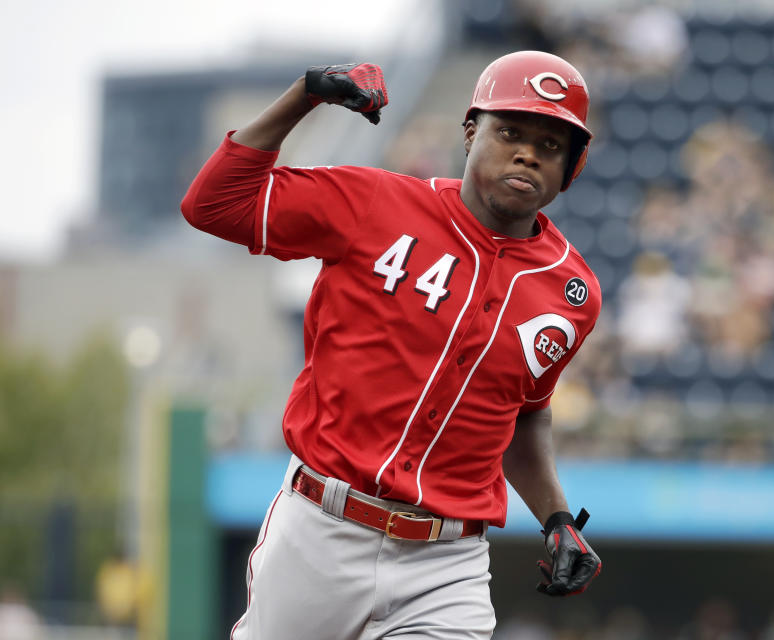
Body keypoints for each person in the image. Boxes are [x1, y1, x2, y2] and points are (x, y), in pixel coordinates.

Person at [181, 51, 602, 640]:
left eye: (551, 144)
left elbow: (523, 415)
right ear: (469, 132)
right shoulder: (373, 203)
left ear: (570, 167)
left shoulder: (572, 292)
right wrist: (305, 94)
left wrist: (557, 517)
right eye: (510, 131)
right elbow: (214, 204)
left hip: (446, 562)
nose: (528, 152)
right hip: (322, 532)